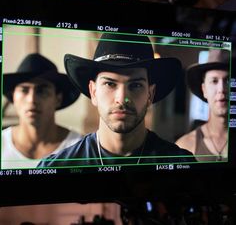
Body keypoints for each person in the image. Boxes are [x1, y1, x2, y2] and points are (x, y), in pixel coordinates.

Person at [37, 33, 196, 167]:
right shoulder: (59, 167)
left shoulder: (180, 164)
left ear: (150, 94)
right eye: (110, 84)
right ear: (93, 92)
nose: (122, 99)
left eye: (135, 85)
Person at [2, 53, 82, 169]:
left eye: (42, 91)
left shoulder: (80, 148)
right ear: (13, 97)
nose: (32, 100)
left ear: (58, 99)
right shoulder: (2, 144)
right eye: (24, 90)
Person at [175, 49, 229, 161]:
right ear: (204, 89)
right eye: (214, 81)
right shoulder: (185, 146)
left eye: (227, 80)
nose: (221, 89)